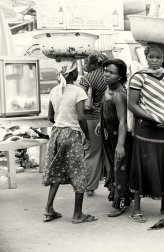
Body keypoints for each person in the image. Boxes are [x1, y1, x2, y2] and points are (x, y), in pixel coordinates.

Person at [128, 44, 164, 223]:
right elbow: (132, 104)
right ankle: (136, 209)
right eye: (151, 57)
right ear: (146, 57)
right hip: (145, 128)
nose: (154, 61)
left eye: (158, 58)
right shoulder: (139, 77)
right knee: (142, 165)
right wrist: (152, 117)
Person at [42, 58, 97, 224]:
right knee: (78, 172)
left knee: (56, 170)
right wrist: (87, 136)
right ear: (74, 73)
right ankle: (78, 214)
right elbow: (81, 117)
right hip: (72, 134)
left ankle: (49, 209)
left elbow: (51, 117)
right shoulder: (78, 91)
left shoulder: (54, 91)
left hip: (56, 133)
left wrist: (61, 124)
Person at [95, 59, 133, 217]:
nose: (106, 75)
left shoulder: (119, 95)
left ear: (120, 76)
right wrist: (100, 123)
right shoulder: (108, 90)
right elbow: (106, 111)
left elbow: (123, 121)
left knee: (120, 169)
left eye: (111, 73)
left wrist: (121, 145)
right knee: (113, 167)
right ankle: (119, 196)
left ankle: (121, 203)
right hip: (109, 136)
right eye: (106, 71)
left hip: (119, 138)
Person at [79, 51, 108, 197]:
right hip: (108, 118)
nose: (84, 65)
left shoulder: (87, 78)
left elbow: (79, 100)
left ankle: (89, 186)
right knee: (109, 152)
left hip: (91, 119)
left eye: (86, 62)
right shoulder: (109, 74)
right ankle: (114, 185)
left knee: (92, 152)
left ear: (93, 63)